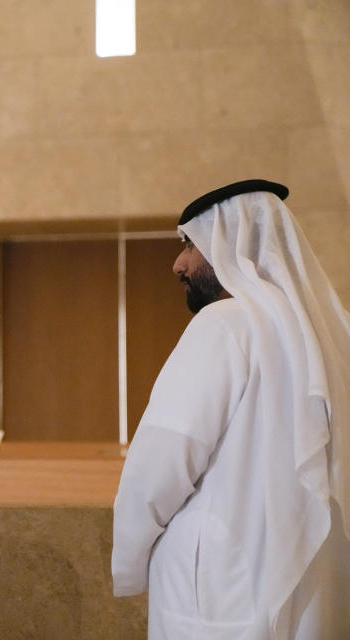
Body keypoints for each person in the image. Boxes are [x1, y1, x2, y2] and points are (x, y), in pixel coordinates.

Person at [112, 179, 350, 639]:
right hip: (313, 580)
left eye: (190, 244)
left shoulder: (224, 323)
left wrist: (129, 554)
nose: (178, 264)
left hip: (224, 585)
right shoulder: (328, 333)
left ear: (231, 243)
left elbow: (162, 460)